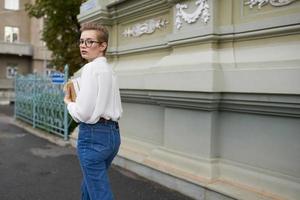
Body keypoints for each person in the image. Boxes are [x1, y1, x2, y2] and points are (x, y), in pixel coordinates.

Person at [64, 22, 122, 200]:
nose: (83, 45)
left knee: (99, 193)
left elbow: (82, 113)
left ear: (103, 45)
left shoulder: (90, 69)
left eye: (89, 42)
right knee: (90, 186)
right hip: (112, 135)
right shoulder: (109, 71)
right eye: (81, 41)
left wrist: (68, 102)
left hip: (93, 135)